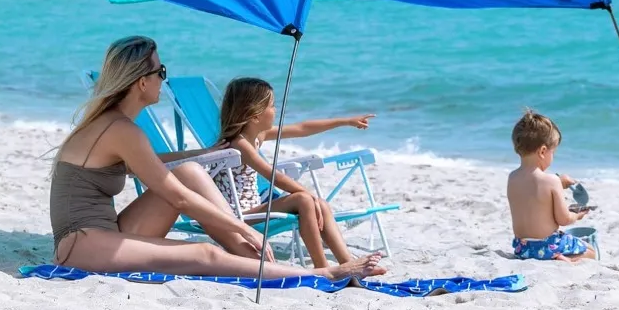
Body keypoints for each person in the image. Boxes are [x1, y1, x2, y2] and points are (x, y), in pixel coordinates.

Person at [50, 35, 385, 281]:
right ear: (141, 82)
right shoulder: (122, 130)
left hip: (106, 232)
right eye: (160, 71)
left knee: (193, 171)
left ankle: (254, 259)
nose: (163, 79)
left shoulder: (117, 126)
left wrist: (203, 154)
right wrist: (244, 226)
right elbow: (177, 196)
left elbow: (151, 163)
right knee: (204, 253)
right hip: (81, 246)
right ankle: (320, 274)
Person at [211, 76, 386, 273]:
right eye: (272, 106)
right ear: (255, 115)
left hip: (254, 209)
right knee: (304, 200)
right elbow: (274, 176)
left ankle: (347, 263)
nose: (275, 110)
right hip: (238, 217)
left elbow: (302, 128)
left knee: (322, 204)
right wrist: (309, 196)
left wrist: (345, 121)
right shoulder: (239, 143)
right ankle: (323, 268)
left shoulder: (256, 136)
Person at [506, 109, 596, 261]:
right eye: (553, 152)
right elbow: (563, 219)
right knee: (590, 250)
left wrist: (559, 182)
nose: (553, 156)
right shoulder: (551, 181)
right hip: (547, 247)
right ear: (543, 151)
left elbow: (533, 193)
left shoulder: (512, 178)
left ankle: (557, 256)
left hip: (522, 248)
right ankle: (564, 260)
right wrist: (576, 215)